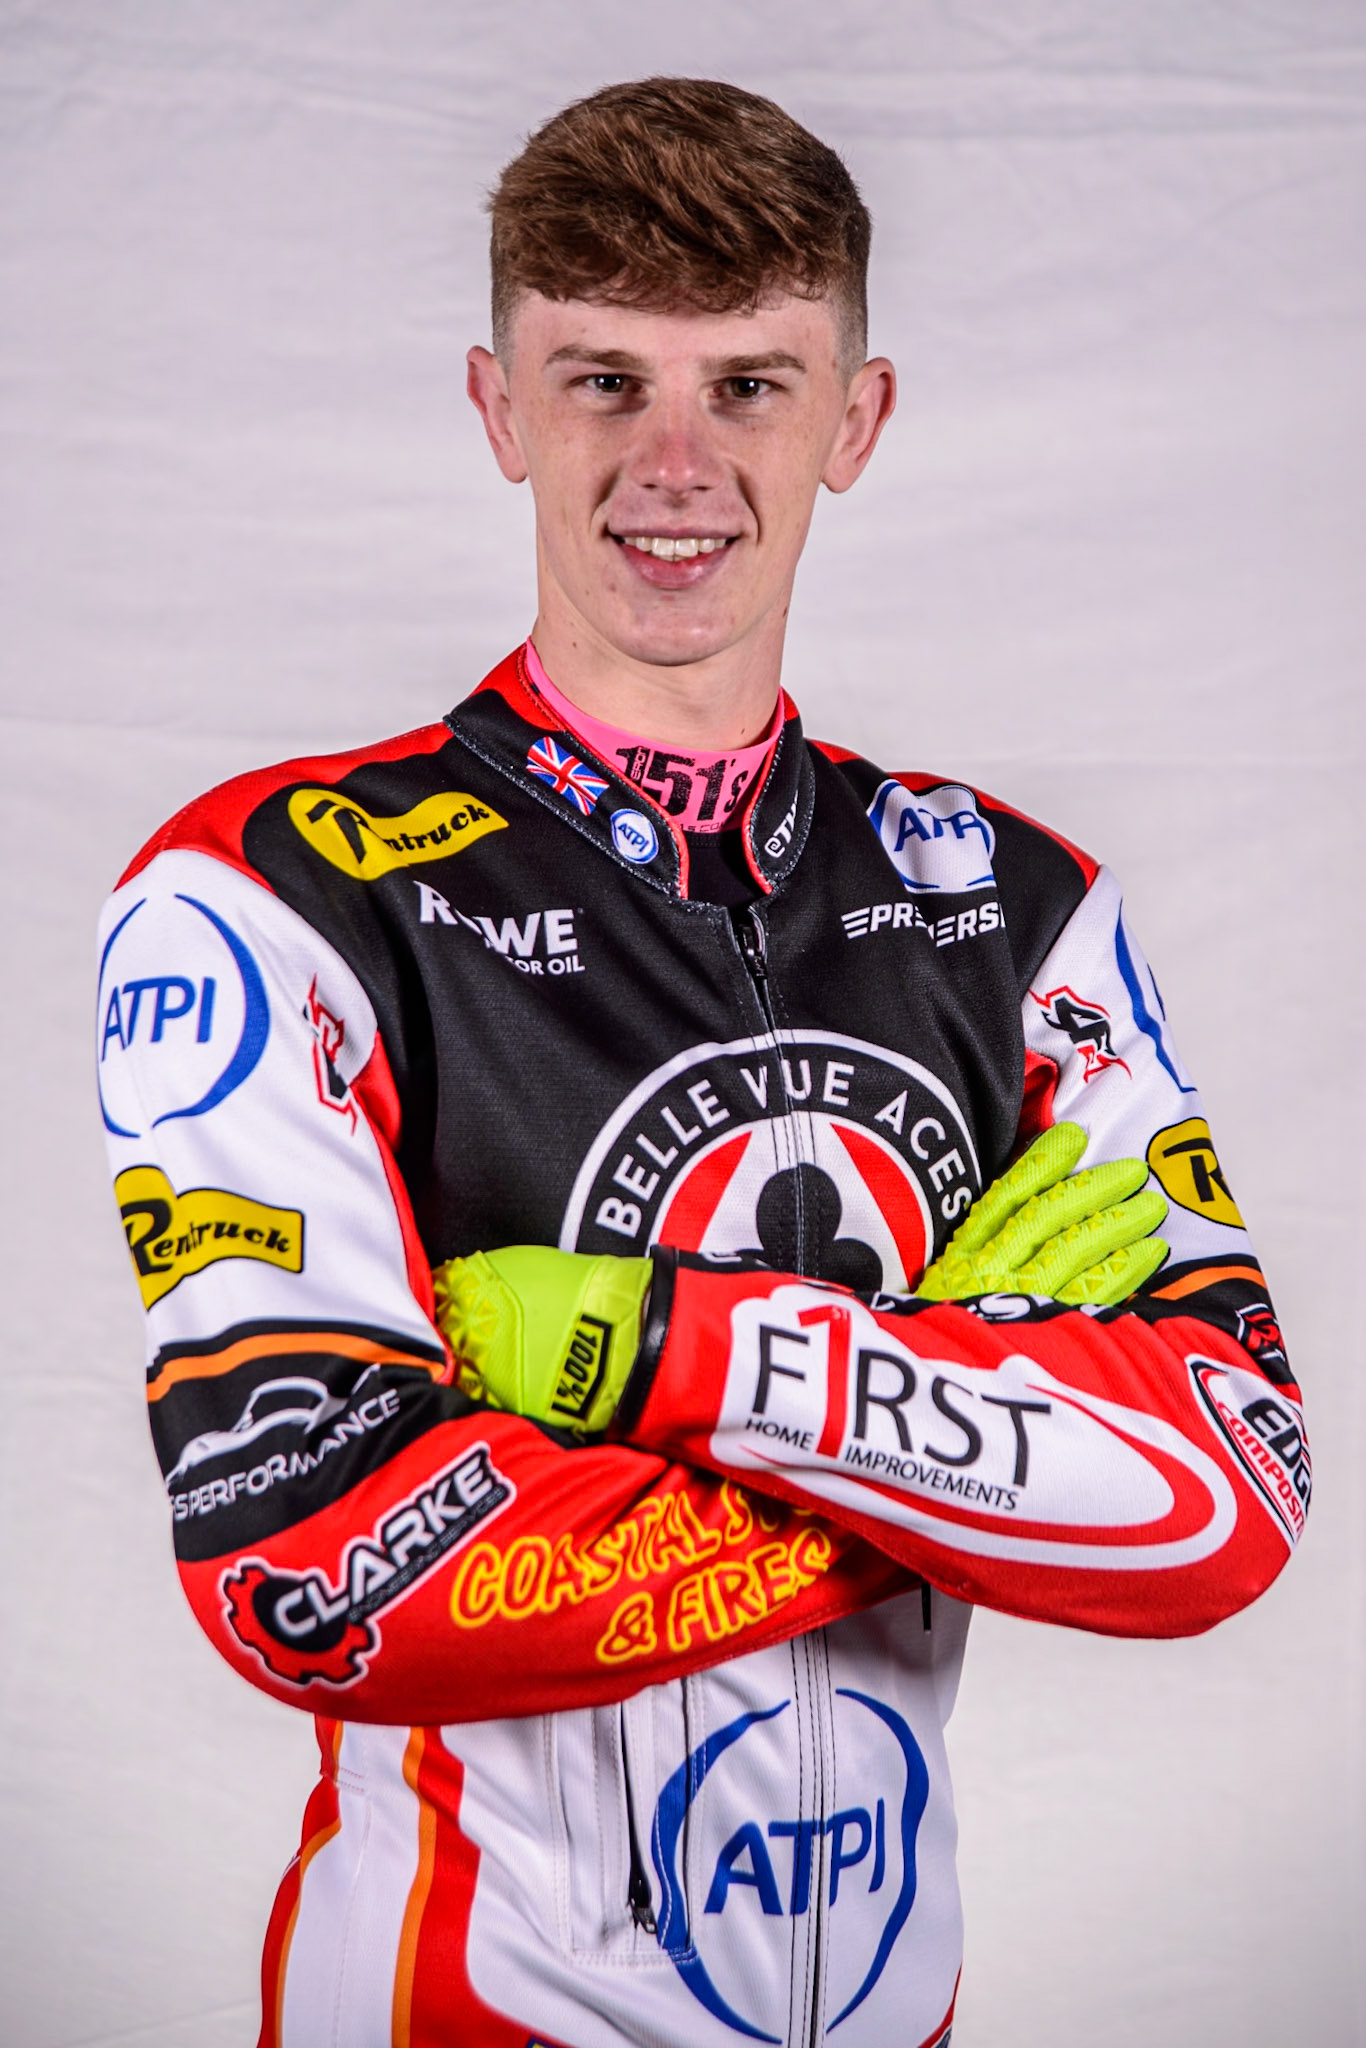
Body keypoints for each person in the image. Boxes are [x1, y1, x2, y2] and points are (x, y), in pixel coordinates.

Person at [96, 76, 1307, 2048]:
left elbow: (1229, 1492)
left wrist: (662, 1361)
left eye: (748, 383)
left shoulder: (1013, 903)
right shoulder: (270, 895)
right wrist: (966, 1403)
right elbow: (315, 1569)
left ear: (858, 417)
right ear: (497, 405)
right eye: (602, 380)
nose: (673, 461)